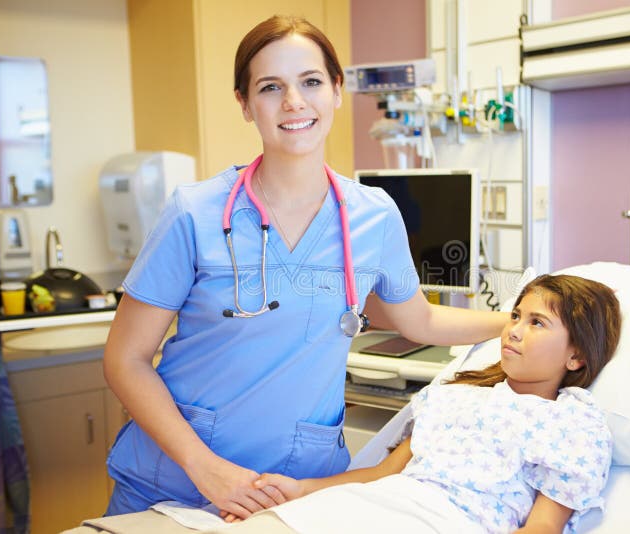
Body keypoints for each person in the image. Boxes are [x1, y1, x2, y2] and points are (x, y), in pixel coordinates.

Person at [103, 14, 508, 520]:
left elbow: (419, 320)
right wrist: (204, 467)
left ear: (337, 90)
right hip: (174, 485)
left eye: (311, 82)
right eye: (271, 87)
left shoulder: (374, 215)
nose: (294, 102)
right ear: (246, 104)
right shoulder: (194, 213)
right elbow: (126, 359)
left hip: (300, 492)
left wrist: (519, 323)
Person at [223, 274, 622, 534]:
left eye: (536, 323)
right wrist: (300, 489)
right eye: (515, 316)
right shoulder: (454, 396)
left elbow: (543, 528)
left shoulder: (570, 422)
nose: (513, 330)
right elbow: (383, 473)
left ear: (577, 357)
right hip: (377, 507)